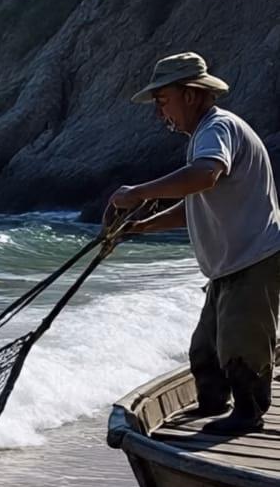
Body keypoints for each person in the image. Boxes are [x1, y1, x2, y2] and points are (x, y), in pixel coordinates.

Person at [109, 51, 280, 436]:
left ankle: (248, 414)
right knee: (204, 352)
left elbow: (204, 176)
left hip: (253, 258)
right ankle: (214, 404)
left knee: (242, 347)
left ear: (190, 94)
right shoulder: (205, 135)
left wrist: (137, 192)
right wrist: (140, 227)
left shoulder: (216, 129)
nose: (159, 114)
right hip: (228, 265)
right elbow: (196, 205)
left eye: (162, 100)